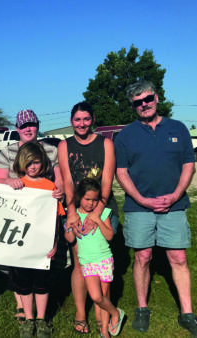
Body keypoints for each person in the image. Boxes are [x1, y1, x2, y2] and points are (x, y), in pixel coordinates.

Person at [115, 80, 197, 337]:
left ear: (156, 98)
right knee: (142, 257)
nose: (143, 105)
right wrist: (142, 200)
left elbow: (189, 164)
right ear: (133, 106)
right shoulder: (125, 136)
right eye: (137, 103)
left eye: (147, 99)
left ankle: (187, 313)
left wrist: (176, 195)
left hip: (174, 205)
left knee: (178, 258)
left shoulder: (177, 128)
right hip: (138, 207)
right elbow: (121, 173)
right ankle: (142, 308)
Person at [0, 109, 65, 325]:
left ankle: (40, 311)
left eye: (31, 124)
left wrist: (59, 190)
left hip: (43, 212)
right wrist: (10, 182)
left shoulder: (52, 150)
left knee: (43, 258)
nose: (28, 129)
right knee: (16, 260)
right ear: (17, 129)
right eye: (23, 126)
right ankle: (20, 303)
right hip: (17, 214)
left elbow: (60, 179)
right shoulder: (8, 151)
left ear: (37, 125)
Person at [57, 102, 118, 334]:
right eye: (77, 119)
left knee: (102, 262)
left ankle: (104, 315)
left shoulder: (106, 144)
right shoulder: (65, 145)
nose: (81, 124)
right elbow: (68, 181)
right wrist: (72, 212)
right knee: (80, 262)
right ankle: (81, 313)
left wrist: (95, 215)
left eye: (86, 119)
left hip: (101, 207)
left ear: (92, 120)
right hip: (76, 209)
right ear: (72, 121)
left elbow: (106, 183)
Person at [10, 142, 65, 338]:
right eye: (29, 163)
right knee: (23, 284)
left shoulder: (51, 187)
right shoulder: (16, 186)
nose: (33, 166)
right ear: (21, 163)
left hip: (43, 247)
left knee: (42, 284)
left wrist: (56, 242)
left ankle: (41, 320)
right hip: (21, 246)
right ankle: (28, 319)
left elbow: (56, 219)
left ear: (43, 163)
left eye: (36, 162)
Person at [65, 177, 124, 338]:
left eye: (95, 200)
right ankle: (115, 313)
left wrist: (98, 219)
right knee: (96, 297)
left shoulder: (103, 213)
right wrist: (70, 226)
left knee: (104, 295)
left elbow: (110, 236)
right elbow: (70, 239)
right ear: (79, 197)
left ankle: (104, 332)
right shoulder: (75, 216)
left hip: (104, 260)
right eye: (87, 199)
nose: (91, 203)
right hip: (87, 262)